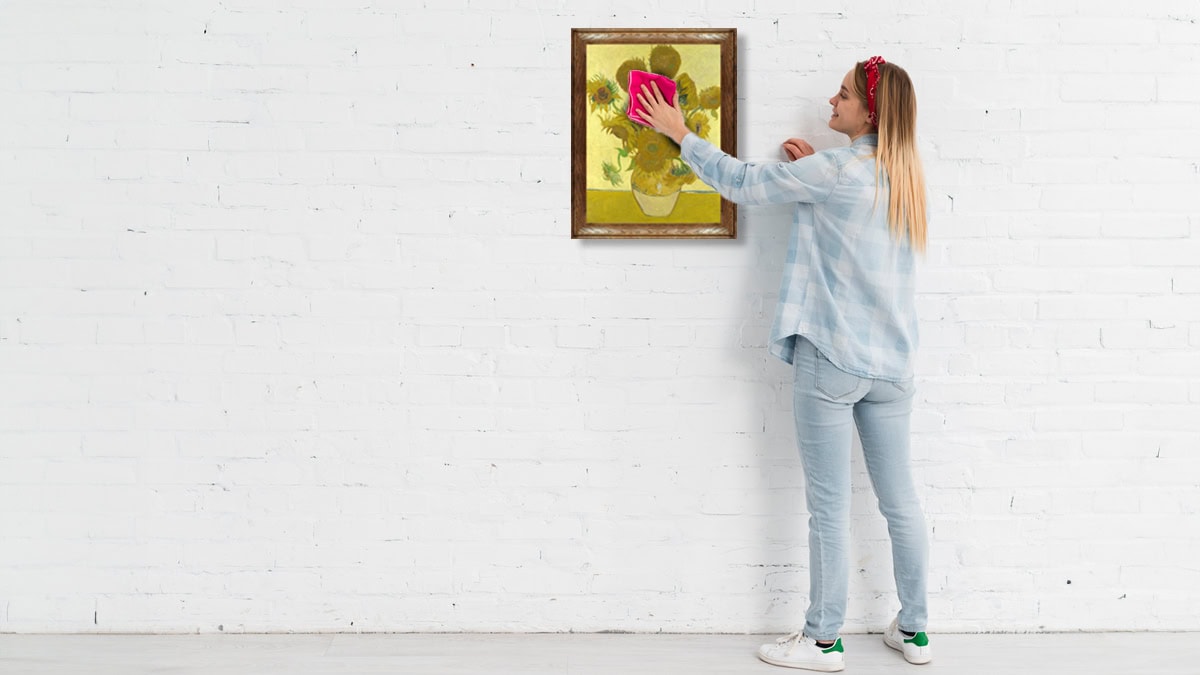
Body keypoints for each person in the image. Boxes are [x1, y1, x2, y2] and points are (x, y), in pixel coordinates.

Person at [636, 57, 931, 671]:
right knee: (900, 503)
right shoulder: (904, 175)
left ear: (870, 111)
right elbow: (847, 225)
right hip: (893, 367)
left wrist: (679, 133)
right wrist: (806, 171)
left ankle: (823, 640)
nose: (833, 100)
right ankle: (916, 630)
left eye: (844, 95)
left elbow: (742, 182)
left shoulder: (835, 170)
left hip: (833, 362)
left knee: (828, 506)